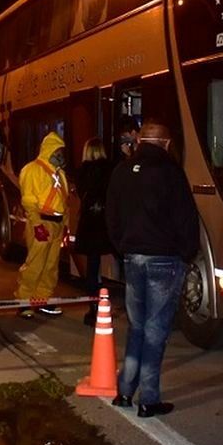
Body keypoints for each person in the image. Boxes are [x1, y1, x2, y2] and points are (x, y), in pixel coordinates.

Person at [106, 121, 199, 418]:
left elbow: (112, 215)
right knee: (156, 331)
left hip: (133, 257)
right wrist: (187, 253)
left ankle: (124, 391)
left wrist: (123, 247)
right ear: (166, 143)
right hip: (164, 259)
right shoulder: (170, 173)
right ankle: (149, 398)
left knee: (136, 327)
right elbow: (186, 218)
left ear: (140, 140)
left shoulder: (122, 171)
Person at [15, 132, 69, 318]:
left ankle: (42, 299)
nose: (61, 155)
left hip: (56, 225)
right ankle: (24, 300)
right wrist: (37, 224)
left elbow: (65, 201)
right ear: (49, 151)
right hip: (42, 223)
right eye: (58, 151)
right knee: (35, 264)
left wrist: (65, 226)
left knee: (51, 266)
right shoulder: (31, 170)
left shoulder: (60, 174)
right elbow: (29, 201)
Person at [72, 137, 113, 326]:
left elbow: (80, 194)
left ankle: (93, 308)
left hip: (90, 223)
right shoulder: (111, 169)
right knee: (122, 257)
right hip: (108, 221)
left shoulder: (82, 172)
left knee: (92, 266)